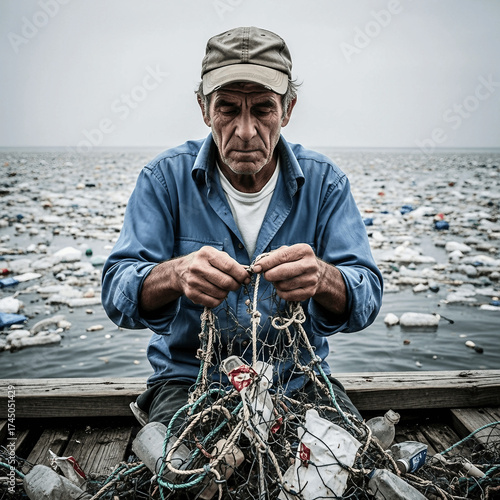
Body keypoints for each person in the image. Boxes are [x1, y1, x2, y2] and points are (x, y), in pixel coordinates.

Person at [101, 26, 383, 428]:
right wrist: (175, 274)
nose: (246, 131)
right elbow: (116, 292)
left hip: (297, 380)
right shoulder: (163, 179)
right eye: (228, 109)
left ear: (287, 109)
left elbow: (367, 296)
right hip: (190, 380)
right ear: (204, 109)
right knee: (186, 482)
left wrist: (323, 278)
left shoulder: (326, 184)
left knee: (342, 474)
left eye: (264, 109)